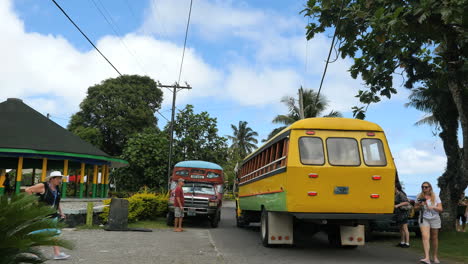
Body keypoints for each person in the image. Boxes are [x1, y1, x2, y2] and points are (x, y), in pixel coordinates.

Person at [25, 171, 70, 260]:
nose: (60, 180)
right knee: (37, 233)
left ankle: (57, 253)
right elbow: (28, 190)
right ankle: (32, 252)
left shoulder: (57, 188)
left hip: (52, 214)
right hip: (41, 215)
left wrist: (61, 212)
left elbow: (57, 201)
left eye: (60, 178)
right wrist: (34, 202)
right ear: (52, 179)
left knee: (54, 233)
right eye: (58, 178)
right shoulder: (43, 186)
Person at [414, 182, 443, 264]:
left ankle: (434, 256)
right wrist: (420, 206)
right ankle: (427, 258)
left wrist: (433, 206)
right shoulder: (419, 196)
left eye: (426, 187)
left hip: (435, 218)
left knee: (434, 237)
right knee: (425, 236)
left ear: (430, 187)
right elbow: (415, 208)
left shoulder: (435, 196)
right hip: (424, 218)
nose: (424, 188)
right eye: (422, 187)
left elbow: (441, 209)